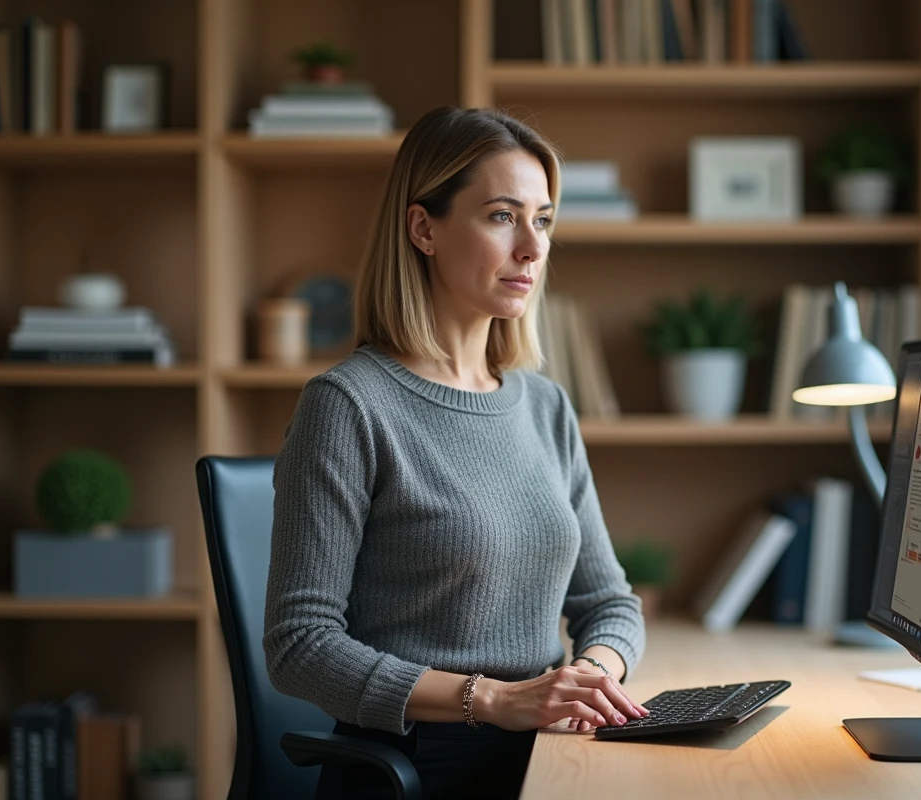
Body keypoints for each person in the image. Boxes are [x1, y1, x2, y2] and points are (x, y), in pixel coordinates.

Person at [263, 106, 649, 800]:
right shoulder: (348, 405)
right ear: (424, 229)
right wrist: (494, 700)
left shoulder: (545, 405)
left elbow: (610, 603)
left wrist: (591, 678)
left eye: (543, 220)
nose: (531, 248)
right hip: (419, 767)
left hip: (547, 752)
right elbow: (300, 646)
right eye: (503, 216)